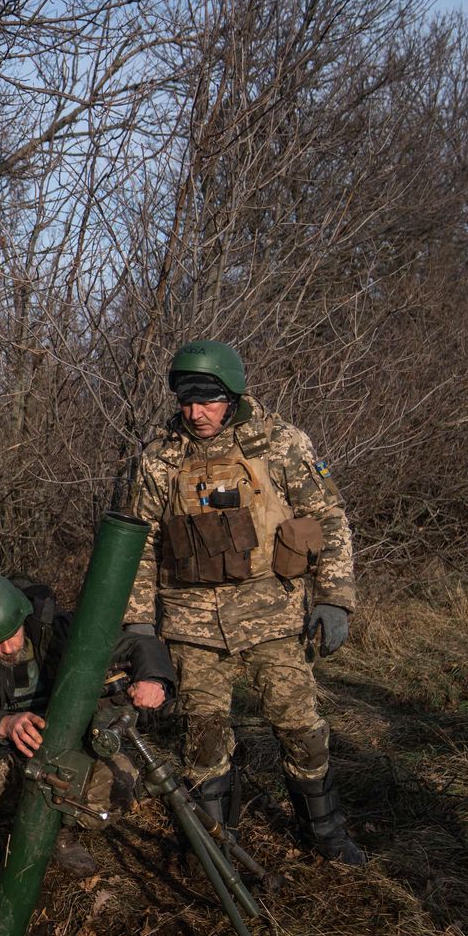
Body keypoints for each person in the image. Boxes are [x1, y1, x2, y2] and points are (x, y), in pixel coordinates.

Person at [123, 339, 365, 864]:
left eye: (208, 400)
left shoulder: (279, 444)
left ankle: (323, 833)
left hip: (272, 615)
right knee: (203, 738)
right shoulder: (161, 459)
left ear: (232, 396)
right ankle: (216, 848)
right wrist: (138, 624)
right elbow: (138, 545)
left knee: (301, 727)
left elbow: (329, 518)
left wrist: (335, 598)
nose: (196, 412)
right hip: (192, 626)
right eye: (187, 401)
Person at [0, 572, 174, 878]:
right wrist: (2, 724)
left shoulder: (58, 630)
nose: (7, 647)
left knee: (119, 783)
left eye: (11, 634)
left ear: (22, 618)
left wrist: (153, 678)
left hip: (66, 743)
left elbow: (137, 644)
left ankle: (61, 829)